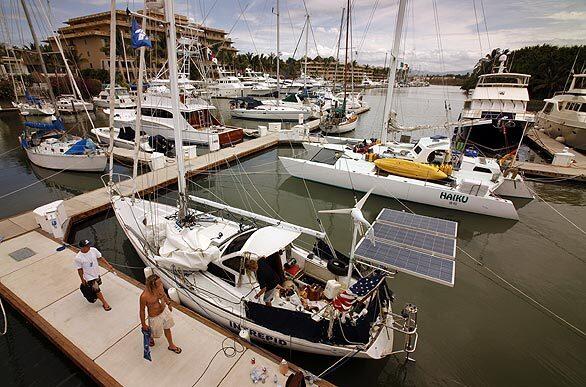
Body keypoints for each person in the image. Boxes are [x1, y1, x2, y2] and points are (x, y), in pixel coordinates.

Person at [139, 274, 181, 354]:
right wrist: (143, 324)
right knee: (154, 333)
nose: (161, 284)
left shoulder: (160, 287)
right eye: (159, 283)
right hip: (155, 317)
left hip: (164, 311)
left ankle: (171, 345)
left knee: (167, 328)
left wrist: (168, 303)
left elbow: (164, 294)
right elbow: (142, 311)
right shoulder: (144, 296)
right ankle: (150, 337)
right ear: (152, 285)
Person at [74, 239, 113, 311]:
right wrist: (82, 280)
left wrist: (108, 265)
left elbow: (100, 257)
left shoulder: (93, 250)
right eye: (87, 246)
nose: (89, 246)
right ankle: (104, 303)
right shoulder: (78, 258)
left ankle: (95, 292)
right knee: (97, 290)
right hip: (89, 277)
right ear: (82, 247)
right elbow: (79, 270)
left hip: (96, 273)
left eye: (89, 245)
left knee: (98, 285)